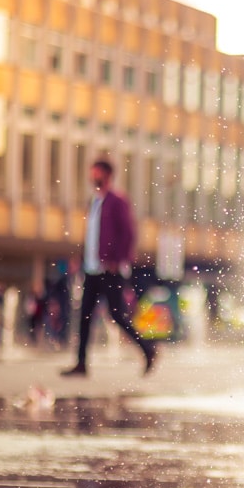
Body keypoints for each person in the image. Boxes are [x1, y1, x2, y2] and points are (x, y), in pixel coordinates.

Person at [62, 159, 156, 377]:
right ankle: (81, 364)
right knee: (85, 315)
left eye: (95, 174)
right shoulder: (95, 201)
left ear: (106, 175)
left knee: (117, 315)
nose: (92, 178)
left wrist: (117, 260)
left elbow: (129, 233)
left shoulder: (117, 200)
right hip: (92, 269)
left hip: (109, 270)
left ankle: (148, 349)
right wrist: (81, 257)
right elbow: (92, 236)